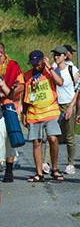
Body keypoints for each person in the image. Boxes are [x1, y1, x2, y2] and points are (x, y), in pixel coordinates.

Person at [19, 50, 64, 182]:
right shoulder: (27, 75)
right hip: (34, 113)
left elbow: (60, 82)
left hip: (51, 112)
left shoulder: (51, 71)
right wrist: (24, 114)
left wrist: (49, 67)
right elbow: (25, 96)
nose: (36, 67)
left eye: (38, 64)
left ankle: (54, 169)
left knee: (53, 139)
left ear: (43, 61)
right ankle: (39, 173)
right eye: (33, 64)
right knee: (36, 143)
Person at [0, 42, 24, 182]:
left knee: (9, 139)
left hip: (9, 106)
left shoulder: (12, 65)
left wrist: (10, 92)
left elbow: (21, 85)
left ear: (1, 53)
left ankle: (9, 170)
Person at [49, 46, 78, 175]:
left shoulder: (72, 70)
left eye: (59, 55)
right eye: (55, 55)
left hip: (68, 103)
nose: (56, 57)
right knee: (51, 135)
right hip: (55, 104)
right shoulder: (53, 69)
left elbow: (77, 90)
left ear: (65, 56)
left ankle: (71, 163)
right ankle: (47, 162)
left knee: (69, 136)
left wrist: (72, 107)